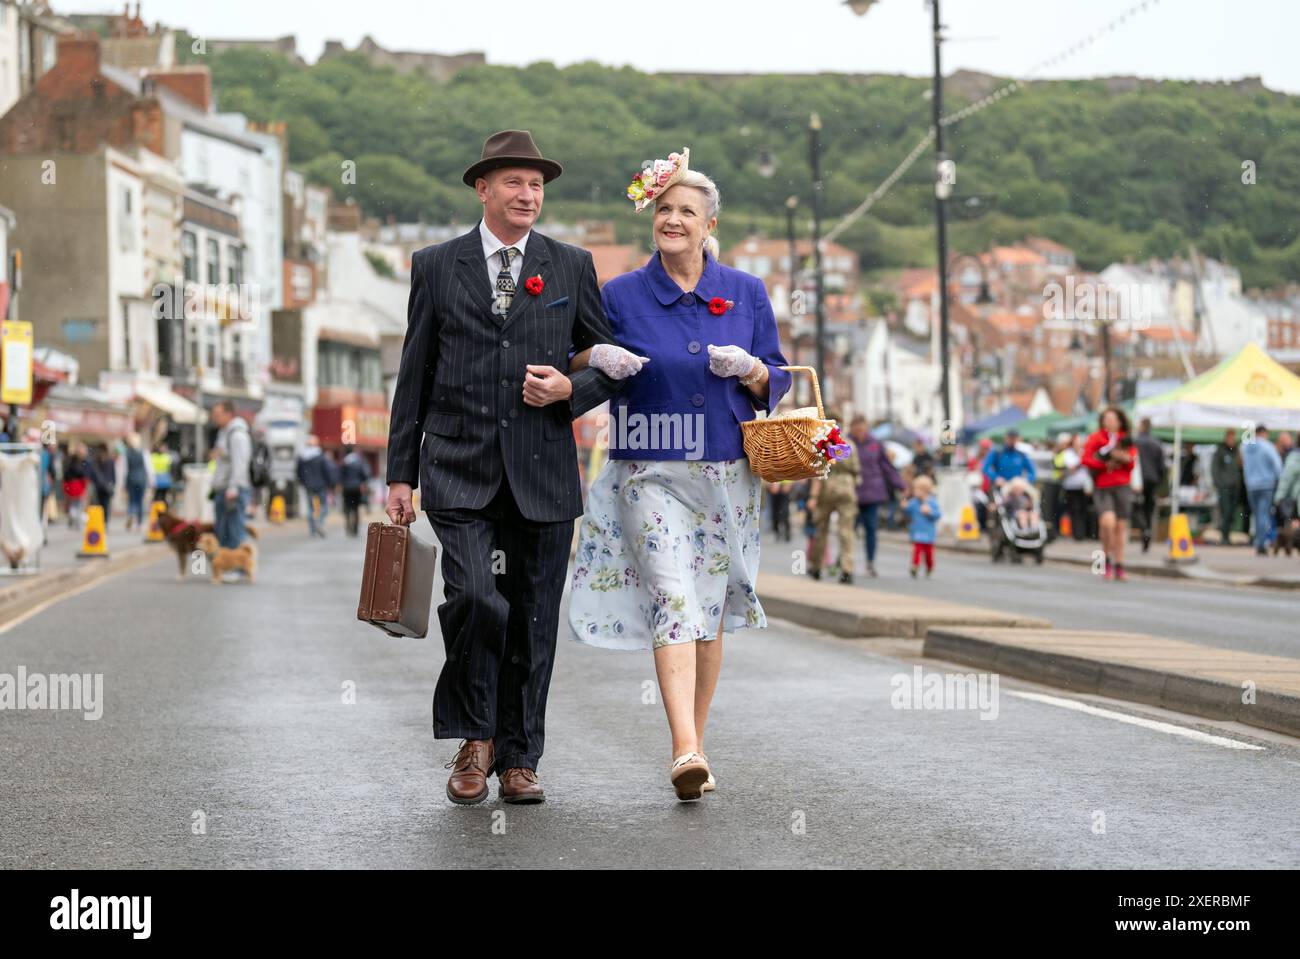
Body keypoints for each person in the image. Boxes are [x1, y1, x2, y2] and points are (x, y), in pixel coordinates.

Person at [384, 130, 626, 806]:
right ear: (483, 188)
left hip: (544, 472)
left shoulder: (571, 265)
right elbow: (415, 372)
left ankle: (520, 755)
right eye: (515, 182)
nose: (528, 194)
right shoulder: (435, 265)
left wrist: (569, 392)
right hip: (457, 468)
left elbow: (609, 361)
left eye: (537, 185)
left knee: (533, 618)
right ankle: (474, 737)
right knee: (474, 598)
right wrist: (400, 472)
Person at [566, 147, 792, 801]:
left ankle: (699, 734)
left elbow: (777, 375)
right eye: (663, 208)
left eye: (686, 210)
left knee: (711, 610)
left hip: (726, 473)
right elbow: (574, 356)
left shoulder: (746, 291)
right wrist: (597, 353)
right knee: (675, 597)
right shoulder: (621, 293)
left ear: (708, 222)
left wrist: (750, 369)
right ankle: (684, 747)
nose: (673, 219)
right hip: (649, 469)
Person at [1082, 406, 1137, 581]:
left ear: (1120, 421)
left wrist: (1121, 458)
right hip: (1103, 486)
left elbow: (1132, 462)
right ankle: (1103, 560)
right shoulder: (1096, 438)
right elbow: (1086, 459)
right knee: (1107, 523)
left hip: (1122, 486)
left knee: (1120, 528)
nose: (1109, 422)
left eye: (1112, 418)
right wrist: (1104, 464)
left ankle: (1119, 565)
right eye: (1106, 418)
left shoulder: (1126, 439)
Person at [806, 411, 860, 584]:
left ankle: (817, 567)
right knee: (846, 531)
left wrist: (813, 496)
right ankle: (847, 569)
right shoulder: (849, 444)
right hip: (846, 489)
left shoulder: (821, 442)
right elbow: (856, 470)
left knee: (821, 529)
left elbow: (817, 471)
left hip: (826, 487)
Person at [851, 415, 905, 578]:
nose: (861, 433)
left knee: (871, 529)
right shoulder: (846, 443)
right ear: (853, 429)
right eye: (858, 429)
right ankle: (844, 560)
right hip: (853, 492)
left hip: (872, 492)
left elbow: (886, 467)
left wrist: (901, 485)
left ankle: (870, 562)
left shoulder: (875, 444)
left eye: (863, 429)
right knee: (848, 529)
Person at [210, 401, 252, 569]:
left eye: (218, 414)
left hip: (232, 490)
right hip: (223, 488)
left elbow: (240, 464)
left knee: (235, 529)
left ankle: (239, 568)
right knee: (224, 530)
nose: (214, 418)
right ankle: (227, 567)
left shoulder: (237, 435)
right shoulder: (224, 433)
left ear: (229, 414)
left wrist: (233, 488)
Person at [1241, 425, 1282, 555]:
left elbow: (1242, 463)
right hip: (1266, 485)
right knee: (1263, 514)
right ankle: (1261, 543)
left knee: (1256, 514)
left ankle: (1258, 540)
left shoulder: (1245, 446)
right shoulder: (1268, 446)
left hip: (1251, 485)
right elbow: (1277, 465)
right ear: (1263, 433)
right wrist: (1278, 480)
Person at [1134, 418, 1167, 553]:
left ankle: (1144, 528)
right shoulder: (1156, 443)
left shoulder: (1135, 442)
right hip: (1152, 479)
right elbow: (1162, 466)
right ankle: (1147, 529)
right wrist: (1159, 481)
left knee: (1136, 506)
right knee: (1148, 507)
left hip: (1137, 479)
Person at [296, 435, 335, 538]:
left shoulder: (302, 457)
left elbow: (299, 472)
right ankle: (320, 523)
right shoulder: (320, 456)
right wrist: (331, 483)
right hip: (321, 484)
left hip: (308, 485)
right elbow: (326, 471)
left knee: (310, 509)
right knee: (324, 507)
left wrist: (303, 482)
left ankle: (312, 530)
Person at [1211, 428, 1244, 545]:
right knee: (1225, 512)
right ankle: (1224, 537)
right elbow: (1214, 469)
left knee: (1231, 513)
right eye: (1230, 437)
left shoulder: (1236, 451)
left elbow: (1240, 468)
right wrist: (1219, 483)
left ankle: (1227, 535)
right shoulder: (1220, 451)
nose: (1232, 440)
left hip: (1235, 487)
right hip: (1224, 487)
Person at [904, 474, 941, 578]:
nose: (915, 492)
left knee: (929, 553)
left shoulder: (932, 502)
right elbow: (908, 510)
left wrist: (929, 512)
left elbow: (938, 515)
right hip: (917, 531)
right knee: (917, 550)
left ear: (925, 490)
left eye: (917, 490)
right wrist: (904, 506)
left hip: (928, 533)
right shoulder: (914, 502)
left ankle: (929, 567)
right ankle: (915, 566)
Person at [982, 429, 1036, 494]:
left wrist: (1025, 480)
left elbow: (1032, 473)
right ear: (1005, 438)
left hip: (1018, 486)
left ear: (1018, 439)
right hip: (1002, 486)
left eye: (1014, 438)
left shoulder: (1021, 455)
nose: (1012, 441)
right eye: (1010, 438)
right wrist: (996, 478)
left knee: (1033, 495)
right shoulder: (997, 452)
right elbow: (985, 468)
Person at [339, 444, 371, 537]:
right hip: (357, 487)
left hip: (346, 488)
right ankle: (355, 528)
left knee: (347, 507)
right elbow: (365, 474)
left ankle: (348, 526)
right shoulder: (359, 461)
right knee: (356, 508)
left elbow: (340, 475)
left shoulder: (344, 462)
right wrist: (363, 483)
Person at [122, 432, 148, 531]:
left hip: (130, 479)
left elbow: (124, 469)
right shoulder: (143, 452)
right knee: (140, 501)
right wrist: (152, 481)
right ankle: (139, 523)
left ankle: (131, 513)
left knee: (131, 500)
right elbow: (148, 468)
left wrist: (122, 484)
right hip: (141, 479)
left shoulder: (126, 453)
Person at [88, 443, 117, 527]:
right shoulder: (96, 461)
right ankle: (102, 521)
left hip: (106, 487)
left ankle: (105, 522)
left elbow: (113, 473)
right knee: (100, 505)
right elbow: (93, 474)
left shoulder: (109, 460)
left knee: (106, 505)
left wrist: (113, 483)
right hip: (100, 487)